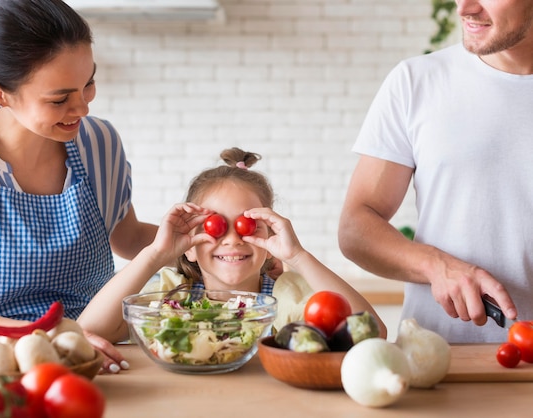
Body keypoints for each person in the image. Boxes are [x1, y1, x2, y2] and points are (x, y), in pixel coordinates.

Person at [0, 0, 156, 370]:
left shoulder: (99, 142)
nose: (83, 108)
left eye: (88, 84)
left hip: (98, 358)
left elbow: (129, 237)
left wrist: (202, 241)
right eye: (59, 99)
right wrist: (47, 338)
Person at [338, 0, 533, 343]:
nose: (465, 8)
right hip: (438, 360)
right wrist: (436, 266)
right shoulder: (417, 81)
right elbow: (357, 228)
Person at [79, 148, 386, 343]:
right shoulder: (172, 295)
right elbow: (89, 329)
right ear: (189, 245)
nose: (232, 239)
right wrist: (156, 255)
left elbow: (372, 331)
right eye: (215, 225)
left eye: (246, 225)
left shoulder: (288, 297)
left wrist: (298, 256)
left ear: (268, 240)